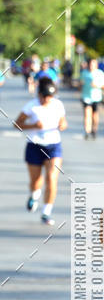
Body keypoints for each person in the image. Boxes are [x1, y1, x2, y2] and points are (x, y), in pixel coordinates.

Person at [15, 76, 67, 226]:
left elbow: (63, 122)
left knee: (52, 179)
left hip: (53, 146)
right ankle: (34, 194)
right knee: (35, 181)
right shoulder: (31, 106)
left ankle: (46, 212)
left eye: (49, 97)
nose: (46, 100)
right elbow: (17, 124)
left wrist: (62, 125)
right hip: (34, 146)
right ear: (39, 95)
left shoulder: (58, 105)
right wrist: (33, 126)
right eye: (44, 97)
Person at [80, 57, 104, 139]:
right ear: (88, 64)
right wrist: (81, 84)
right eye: (91, 64)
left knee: (94, 114)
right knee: (87, 113)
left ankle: (94, 129)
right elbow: (80, 83)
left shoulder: (100, 73)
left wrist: (97, 85)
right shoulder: (84, 73)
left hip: (96, 97)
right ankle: (87, 131)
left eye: (94, 64)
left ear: (96, 65)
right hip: (86, 97)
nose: (92, 65)